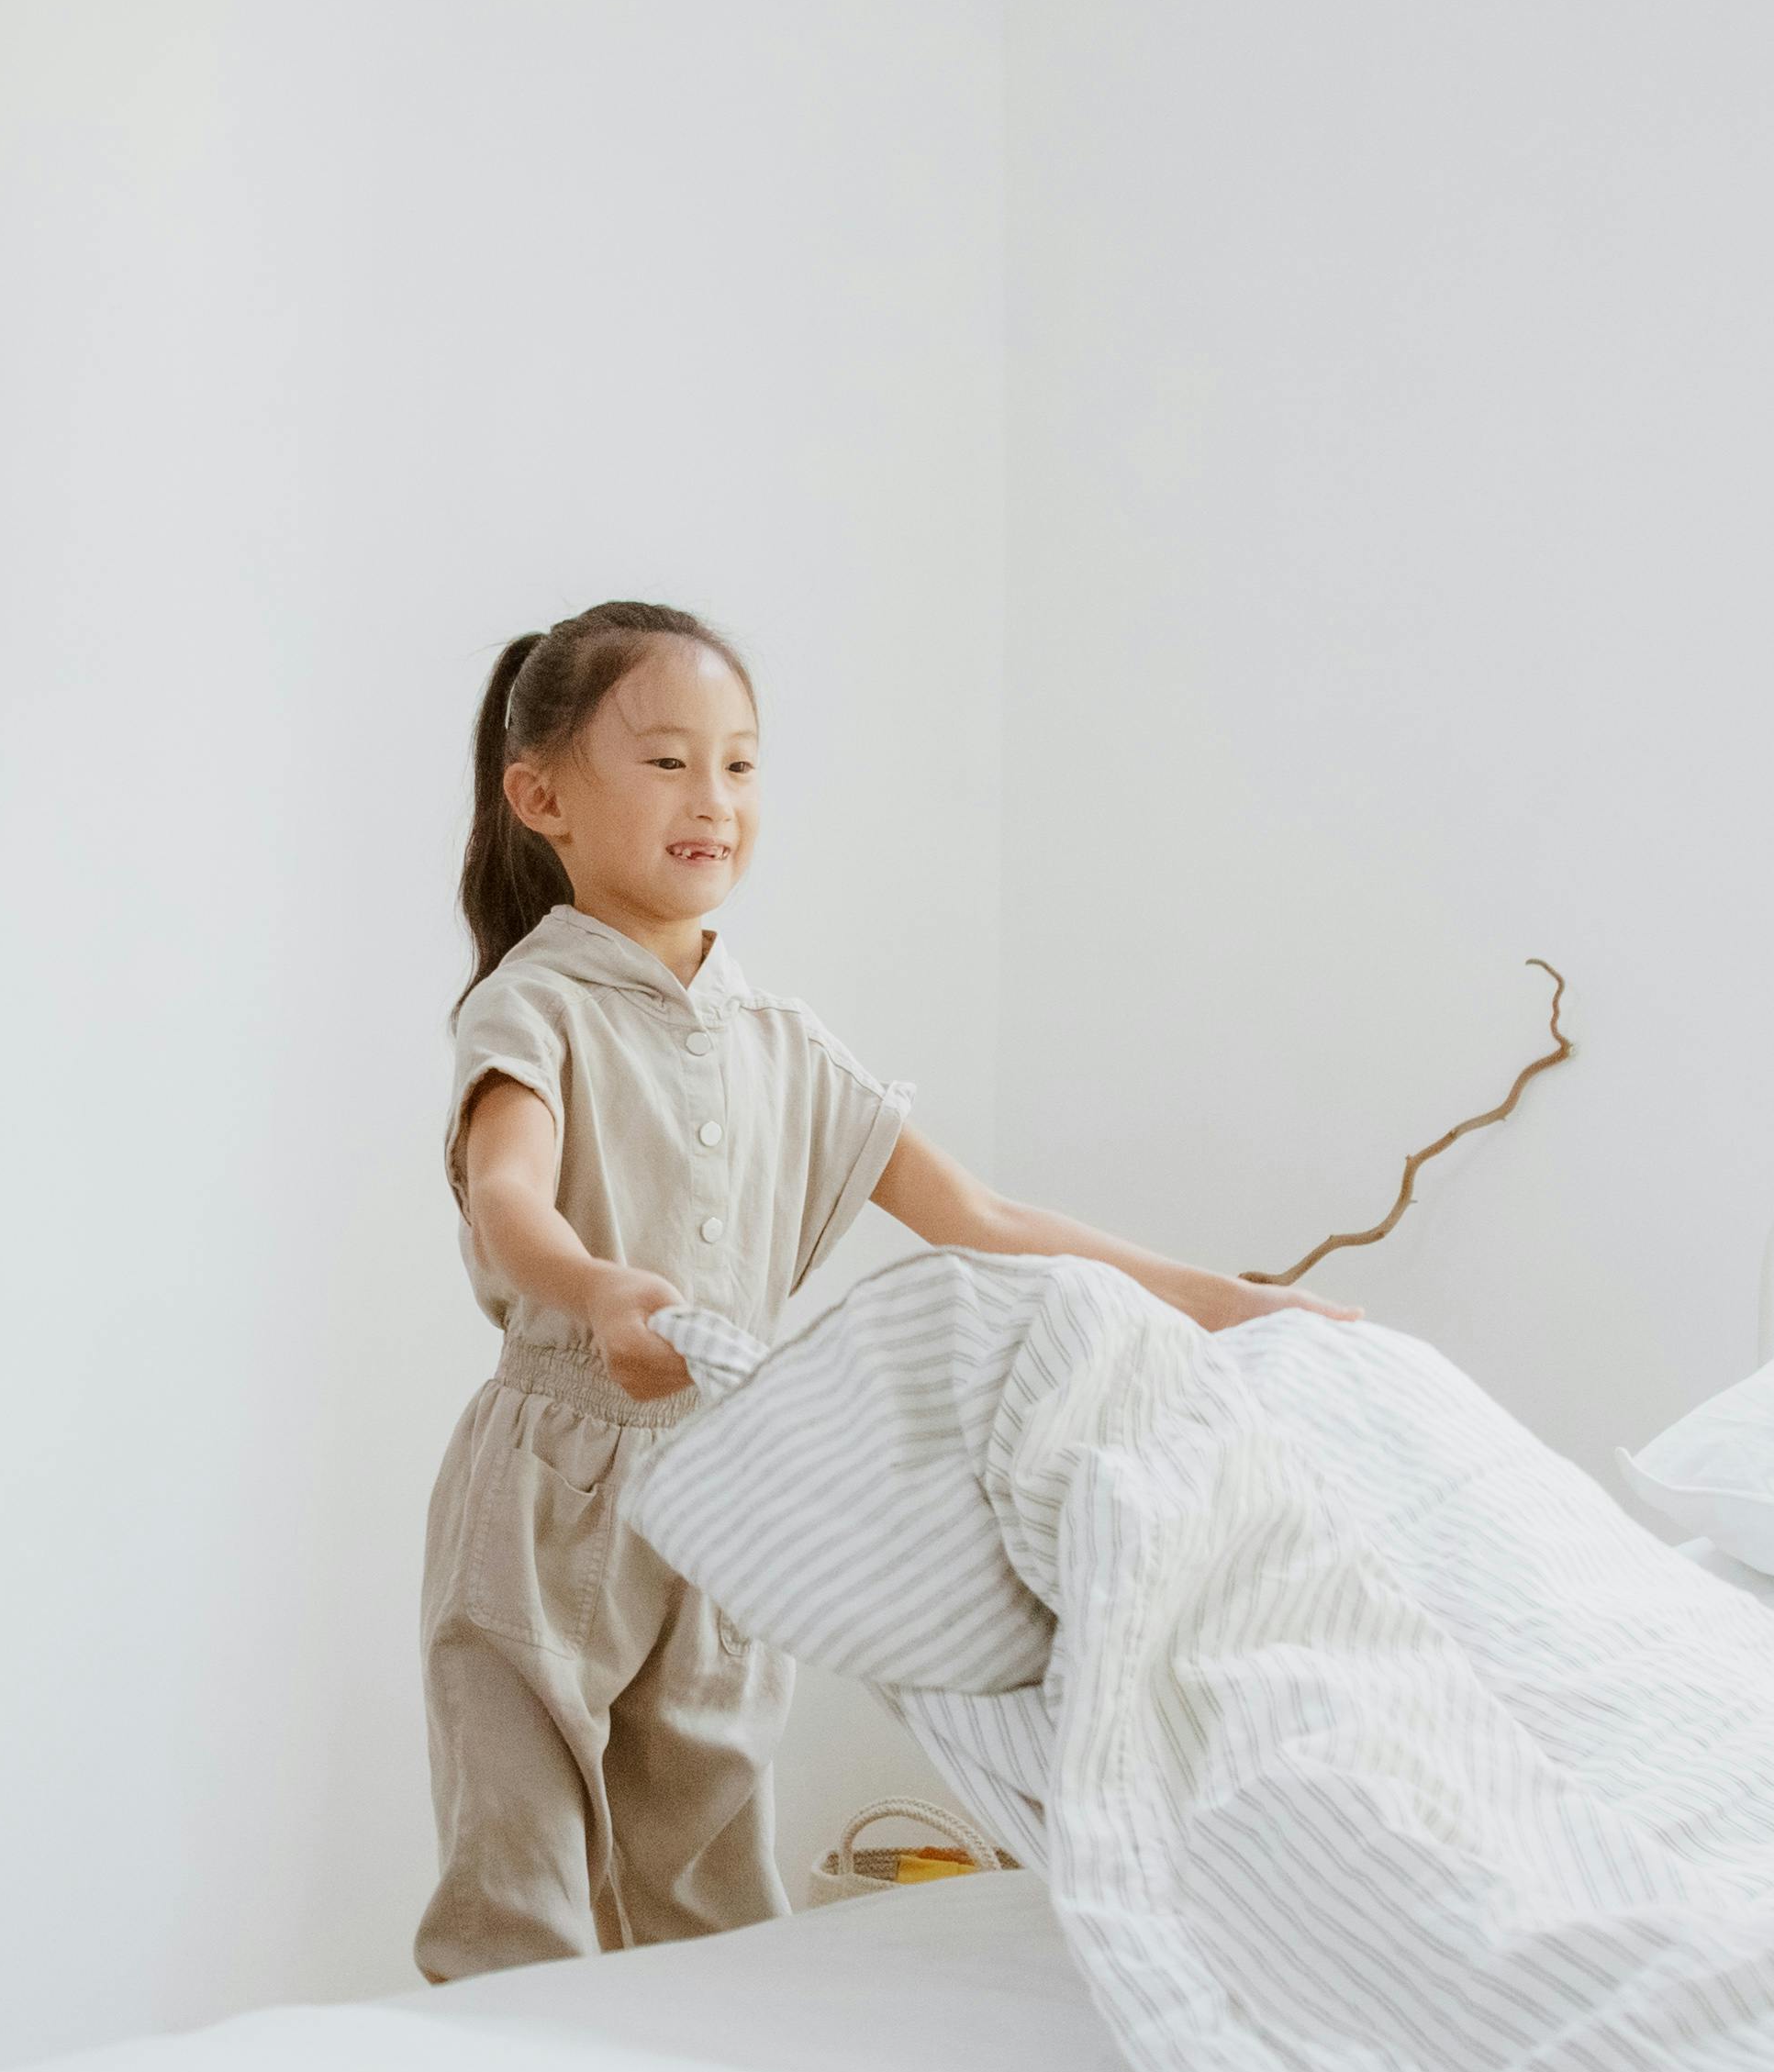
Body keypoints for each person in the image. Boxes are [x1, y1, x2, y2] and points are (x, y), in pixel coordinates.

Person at [418, 602, 1346, 1982]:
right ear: (539, 795)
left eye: (741, 765)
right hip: (549, 1485)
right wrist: (601, 1288)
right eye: (667, 761)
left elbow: (978, 1220)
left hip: (733, 1497)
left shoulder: (786, 1045)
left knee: (714, 1883)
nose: (714, 800)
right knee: (521, 1888)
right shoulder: (533, 1005)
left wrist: (1233, 1303)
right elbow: (507, 1199)